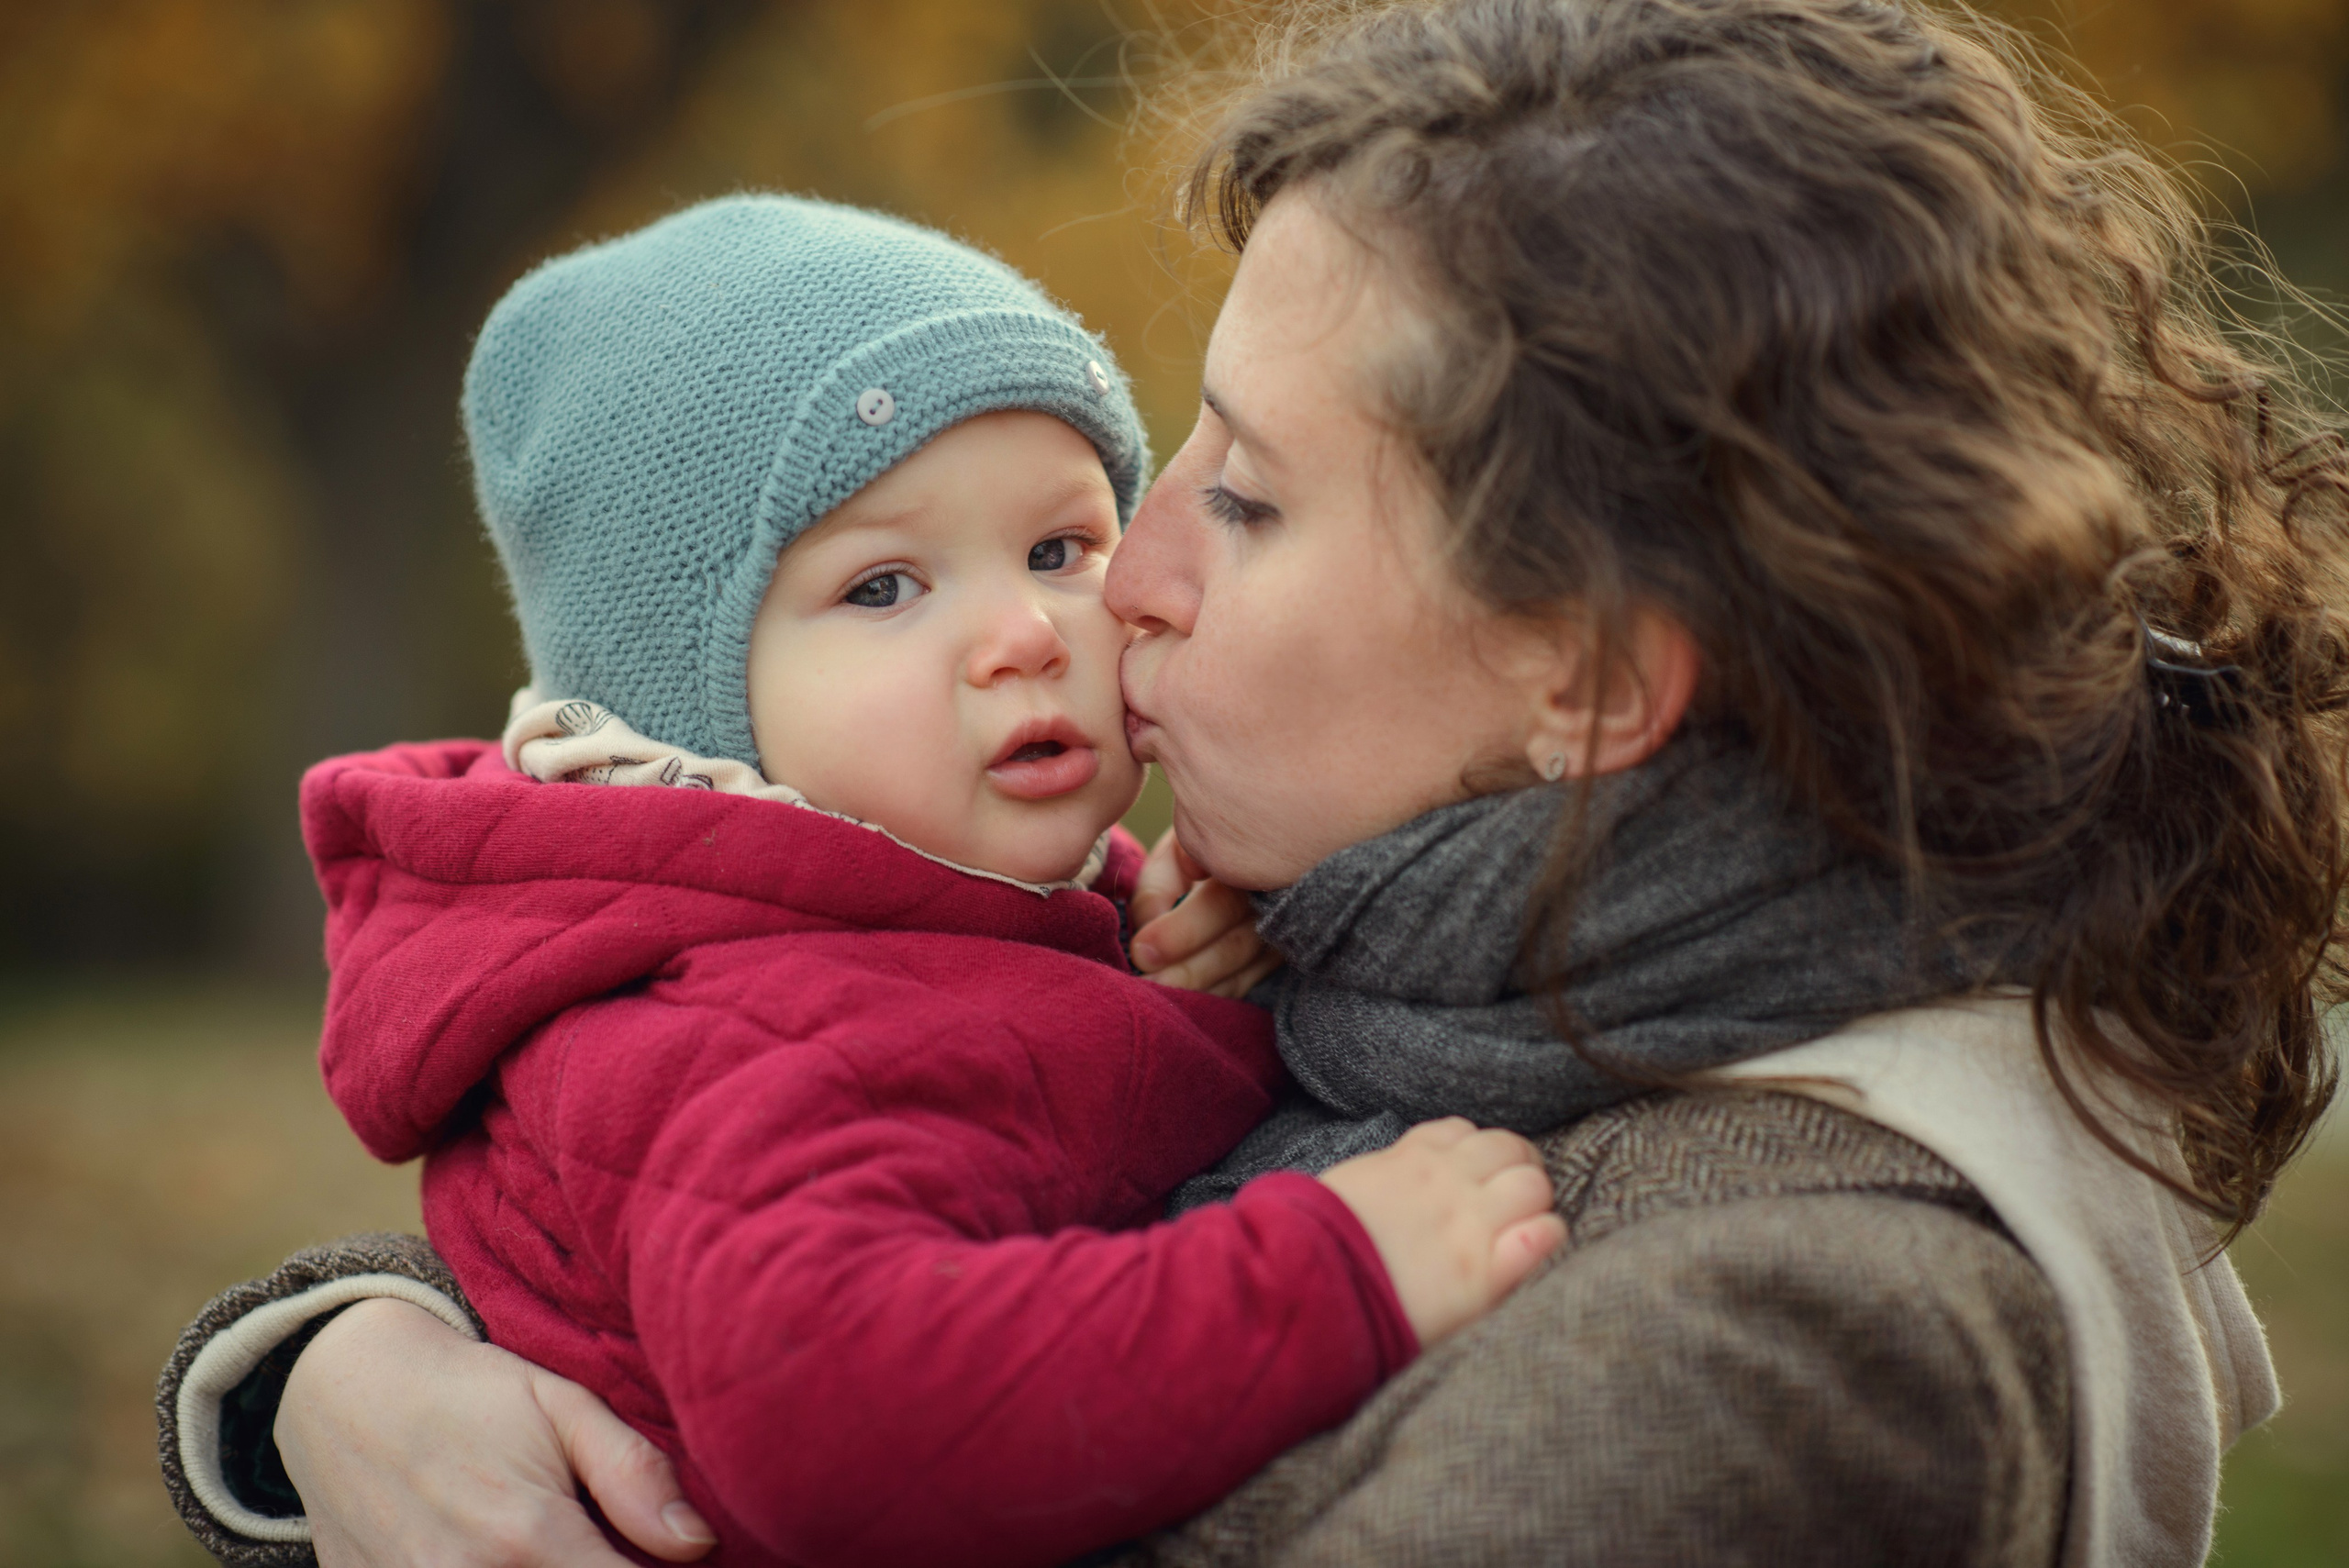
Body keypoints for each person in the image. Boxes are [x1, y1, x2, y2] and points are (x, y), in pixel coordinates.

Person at [160, 2, 2346, 1564]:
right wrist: (327, 1377)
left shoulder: (1761, 1342)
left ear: (1584, 678)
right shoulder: (1386, 979)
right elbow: (756, 1187)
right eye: (1174, 449)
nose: (1135, 580)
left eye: (1258, 501)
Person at [158, 193, 1568, 1568]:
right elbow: (851, 1422)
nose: (1025, 630)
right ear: (694, 712)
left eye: (1062, 548)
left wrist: (1176, 936)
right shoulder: (753, 1020)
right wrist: (1333, 1269)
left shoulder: (926, 917)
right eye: (886, 586)